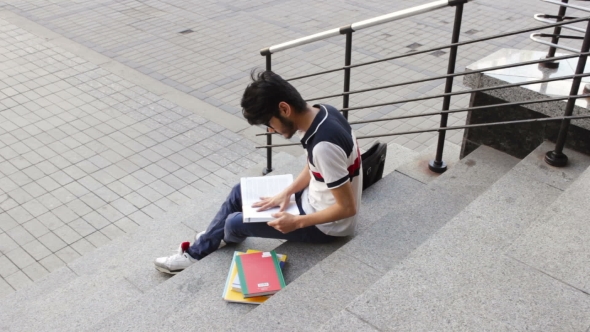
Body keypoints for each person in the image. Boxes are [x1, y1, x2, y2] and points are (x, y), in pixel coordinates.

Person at [154, 70, 362, 274]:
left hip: (327, 226)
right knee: (239, 191)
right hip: (313, 198)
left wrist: (296, 222)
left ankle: (206, 245)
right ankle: (209, 239)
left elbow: (347, 208)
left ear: (284, 108)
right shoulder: (325, 112)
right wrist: (287, 191)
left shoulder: (323, 145)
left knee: (234, 223)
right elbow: (314, 166)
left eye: (269, 123)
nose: (271, 130)